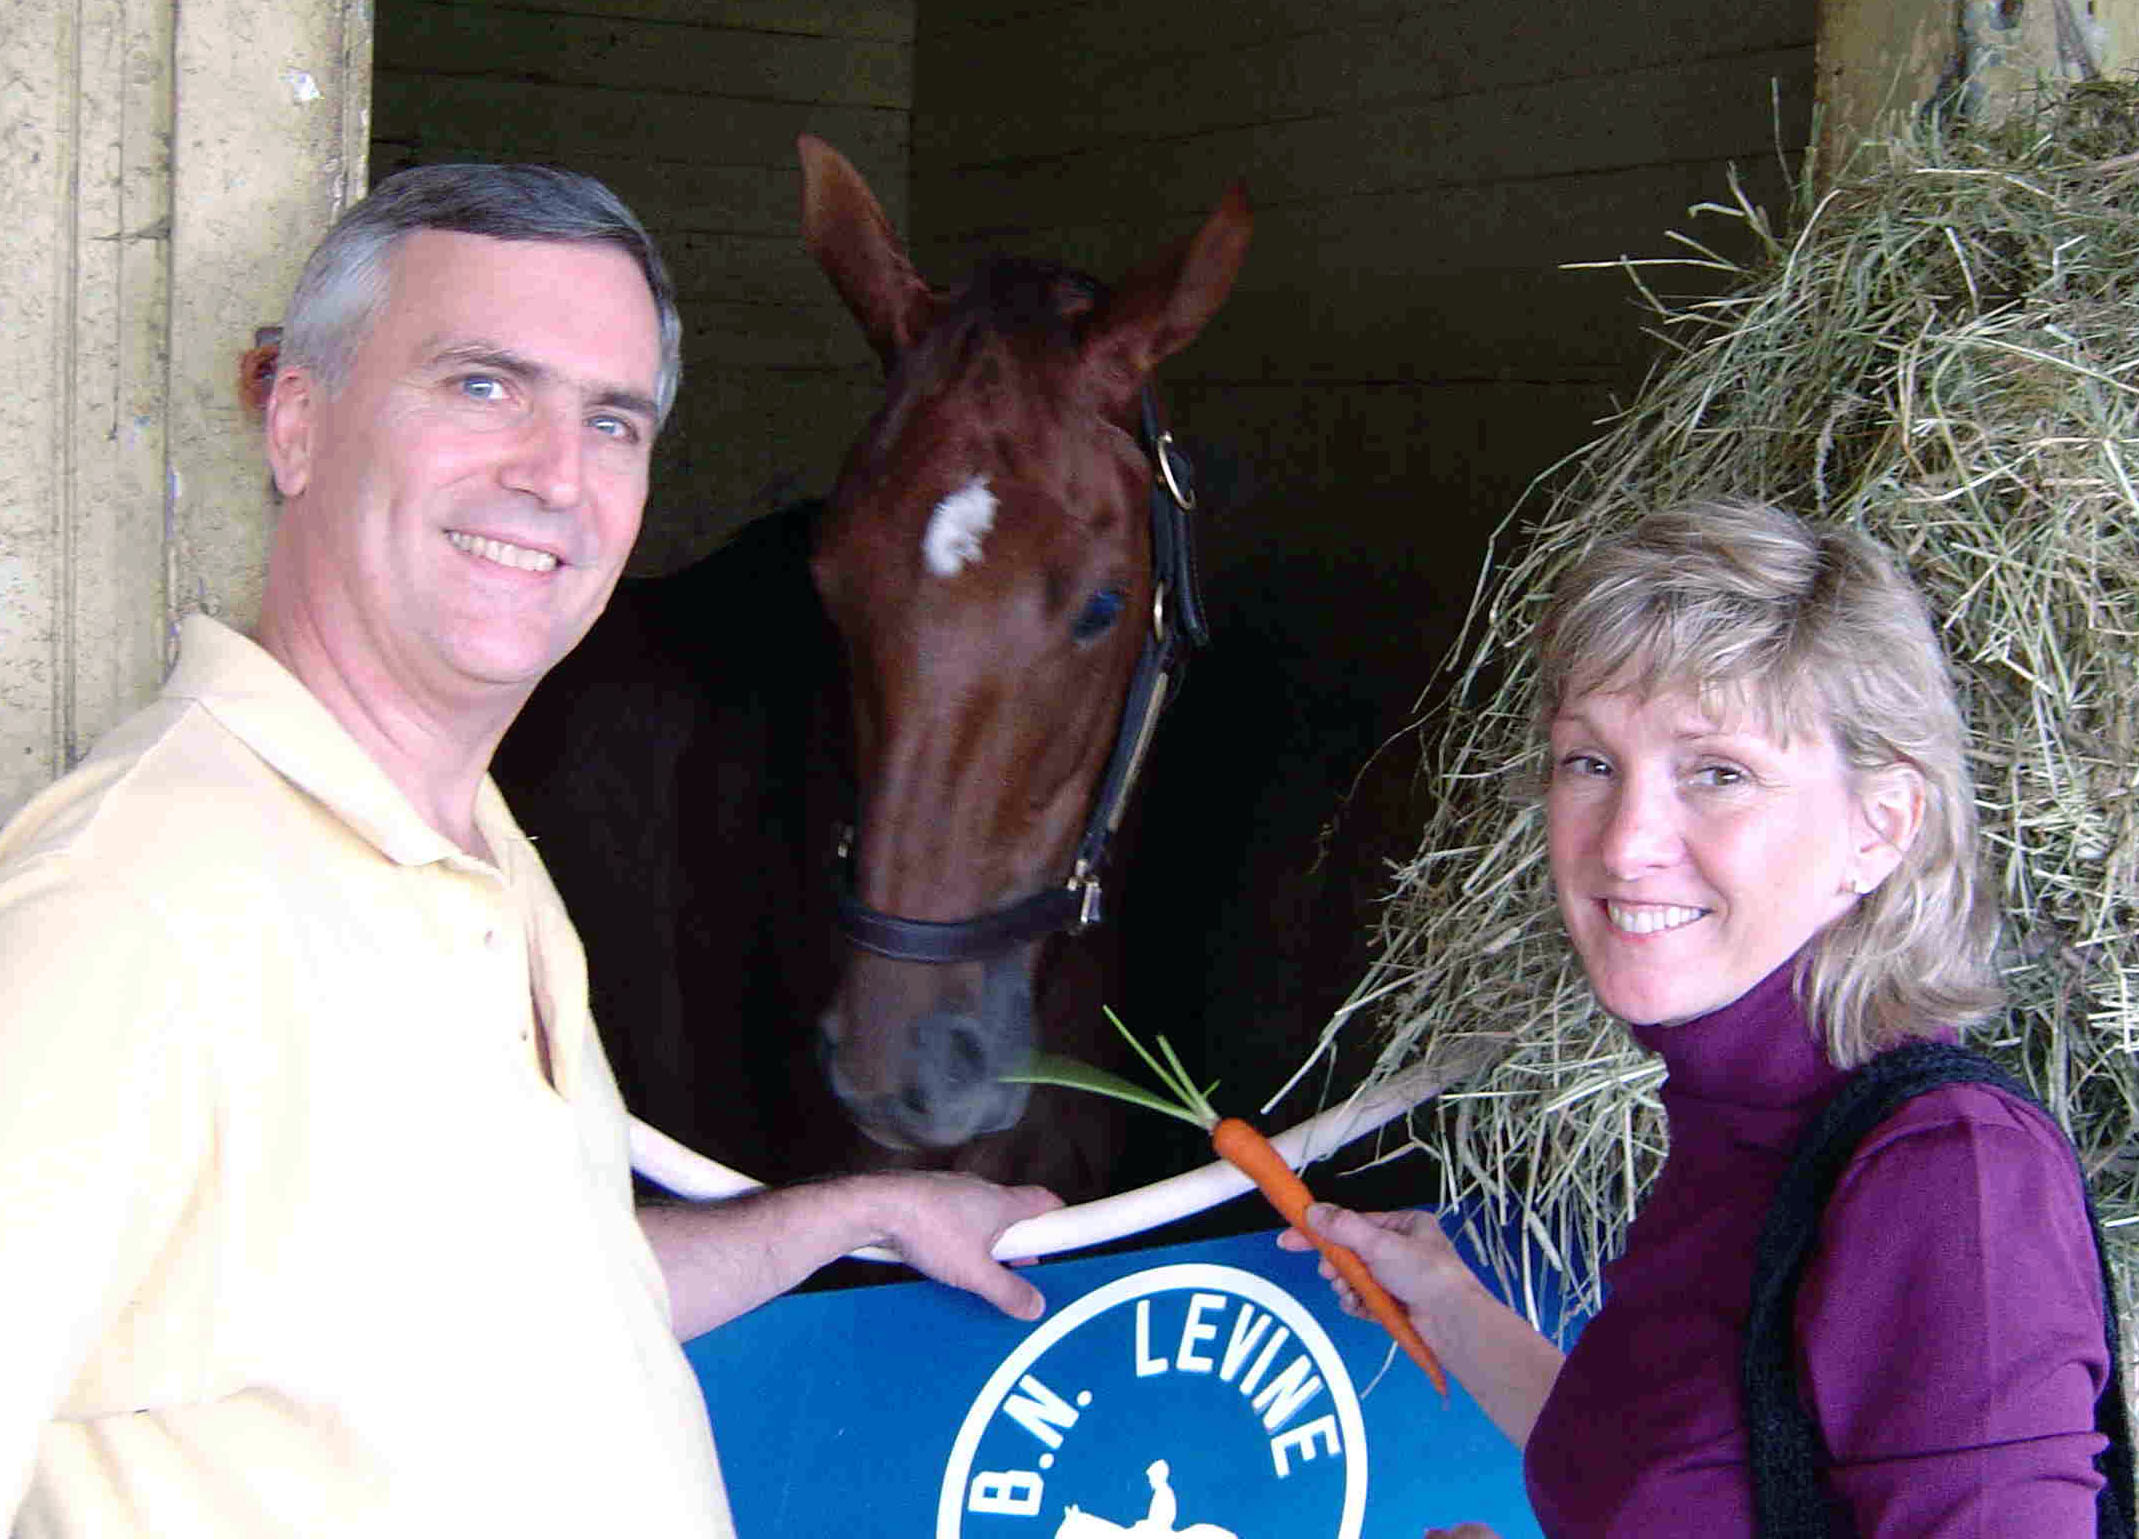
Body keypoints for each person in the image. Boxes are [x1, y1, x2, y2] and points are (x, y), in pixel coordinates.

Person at [0, 164, 1059, 1536]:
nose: (554, 473)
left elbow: (544, 1285)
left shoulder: (480, 848)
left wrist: (848, 1213)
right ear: (297, 421)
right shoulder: (129, 907)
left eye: (610, 419)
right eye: (482, 385)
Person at [1282, 501, 2117, 1533]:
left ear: (1881, 826)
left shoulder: (1948, 1178)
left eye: (1719, 773)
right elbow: (1688, 1488)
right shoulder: (1740, 1118)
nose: (1626, 844)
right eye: (1591, 762)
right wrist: (1450, 1303)